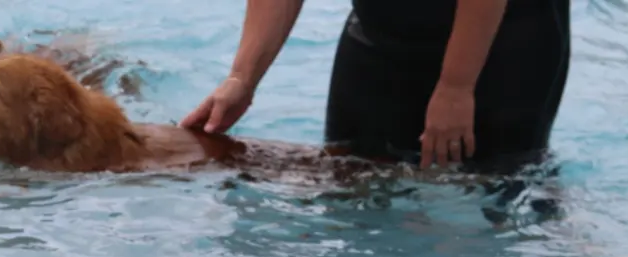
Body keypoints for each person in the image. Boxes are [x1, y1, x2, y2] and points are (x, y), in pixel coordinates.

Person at [181, 0, 571, 172]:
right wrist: (242, 78)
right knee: (349, 173)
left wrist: (455, 87)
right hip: (382, 27)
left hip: (505, 36)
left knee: (494, 193)